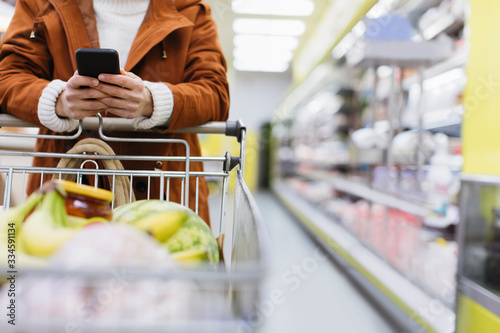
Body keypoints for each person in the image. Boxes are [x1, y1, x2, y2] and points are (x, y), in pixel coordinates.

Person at [0, 0, 230, 225]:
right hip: (66, 193)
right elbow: (8, 77)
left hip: (163, 199)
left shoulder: (190, 9)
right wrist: (59, 101)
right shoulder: (40, 4)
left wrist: (152, 101)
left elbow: (215, 92)